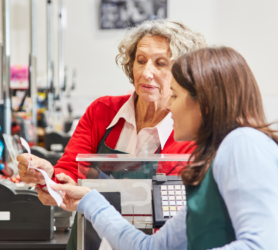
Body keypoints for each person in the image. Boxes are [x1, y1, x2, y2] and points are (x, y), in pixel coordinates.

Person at [49, 47, 278, 250]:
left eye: (175, 96)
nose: (169, 107)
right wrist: (89, 200)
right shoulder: (215, 164)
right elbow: (149, 247)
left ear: (204, 103)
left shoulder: (243, 145)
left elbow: (259, 246)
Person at [17, 19, 207, 249]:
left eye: (160, 63)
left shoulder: (190, 131)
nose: (147, 72)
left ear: (183, 74)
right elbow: (68, 172)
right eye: (141, 61)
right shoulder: (102, 111)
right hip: (90, 241)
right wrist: (48, 176)